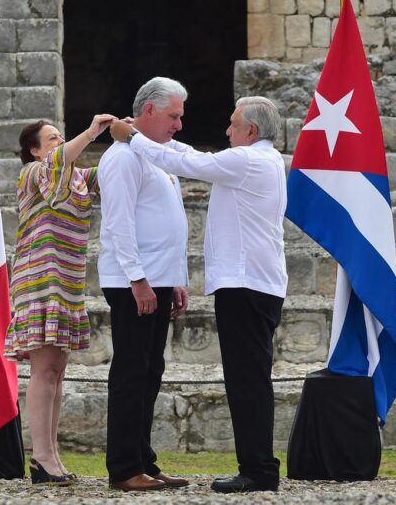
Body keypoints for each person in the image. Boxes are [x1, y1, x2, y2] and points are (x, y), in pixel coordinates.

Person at [110, 96, 287, 493]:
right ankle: (258, 467)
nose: (226, 131)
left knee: (247, 381)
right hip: (254, 284)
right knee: (247, 378)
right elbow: (192, 154)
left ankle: (258, 470)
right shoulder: (262, 159)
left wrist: (133, 136)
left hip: (247, 285)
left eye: (233, 124)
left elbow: (187, 164)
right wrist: (152, 138)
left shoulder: (248, 161)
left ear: (251, 131)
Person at [4, 114, 115, 485]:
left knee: (56, 371)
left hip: (67, 283)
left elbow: (111, 170)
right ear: (35, 150)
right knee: (44, 370)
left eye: (59, 137)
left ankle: (50, 455)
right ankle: (41, 457)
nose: (58, 143)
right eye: (51, 139)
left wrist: (130, 137)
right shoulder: (33, 174)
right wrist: (92, 132)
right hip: (39, 280)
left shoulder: (78, 179)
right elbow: (58, 161)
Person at [98, 77, 191, 491]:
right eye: (173, 116)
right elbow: (119, 223)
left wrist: (177, 279)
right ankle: (123, 466)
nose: (178, 125)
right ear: (149, 111)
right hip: (132, 281)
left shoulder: (159, 156)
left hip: (159, 278)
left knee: (151, 370)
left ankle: (144, 459)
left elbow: (173, 223)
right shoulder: (122, 158)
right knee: (133, 372)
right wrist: (137, 278)